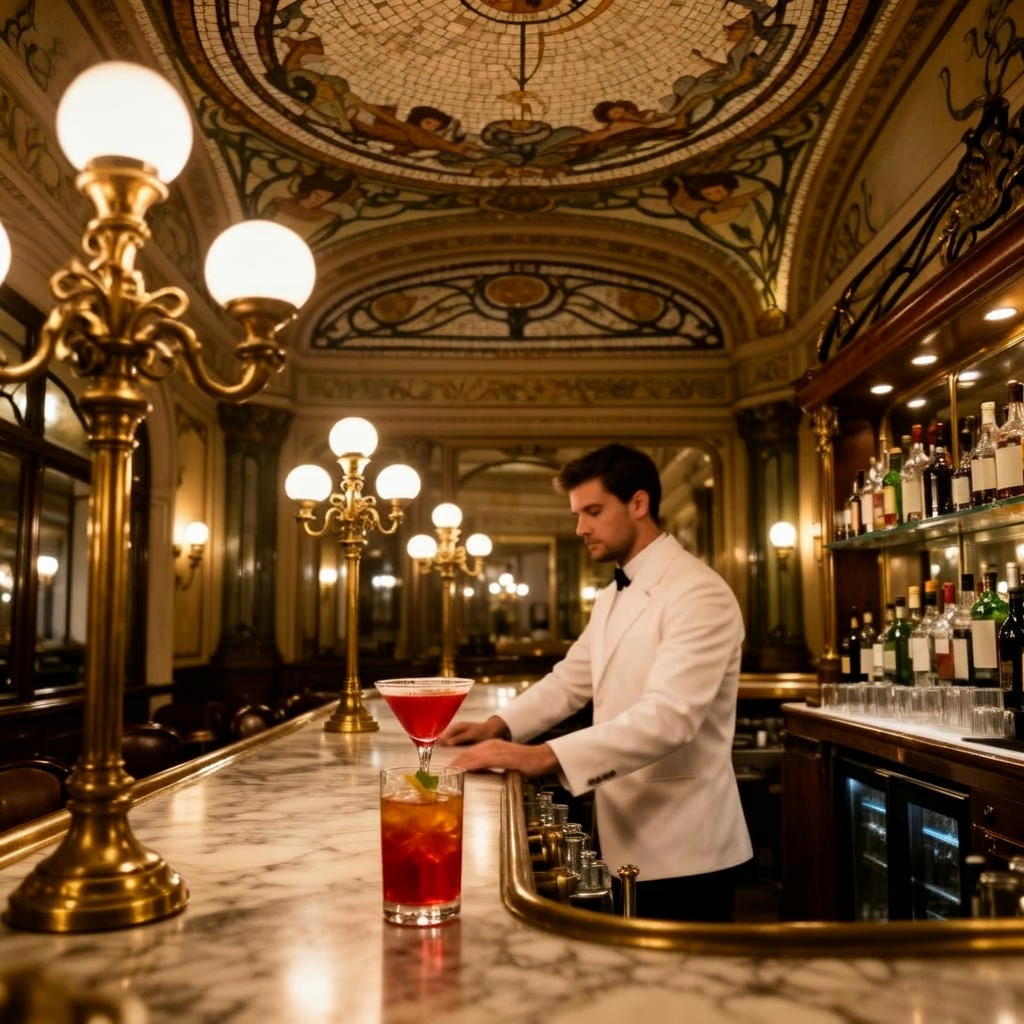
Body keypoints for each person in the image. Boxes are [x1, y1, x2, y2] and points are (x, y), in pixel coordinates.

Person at [442, 443, 752, 922]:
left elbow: (671, 719)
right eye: (578, 513)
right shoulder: (611, 594)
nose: (580, 528)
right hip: (623, 830)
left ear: (639, 504)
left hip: (688, 846)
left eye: (593, 511)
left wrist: (543, 755)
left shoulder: (700, 592)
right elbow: (570, 680)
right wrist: (500, 724)